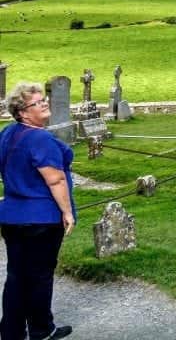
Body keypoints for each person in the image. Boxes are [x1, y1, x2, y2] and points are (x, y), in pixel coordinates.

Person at [0, 82, 75, 340]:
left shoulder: (8, 133)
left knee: (16, 277)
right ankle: (41, 331)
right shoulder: (40, 138)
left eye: (43, 99)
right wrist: (67, 212)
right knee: (40, 276)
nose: (44, 104)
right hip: (41, 219)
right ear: (22, 112)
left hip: (12, 218)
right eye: (37, 102)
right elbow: (55, 180)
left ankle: (11, 333)